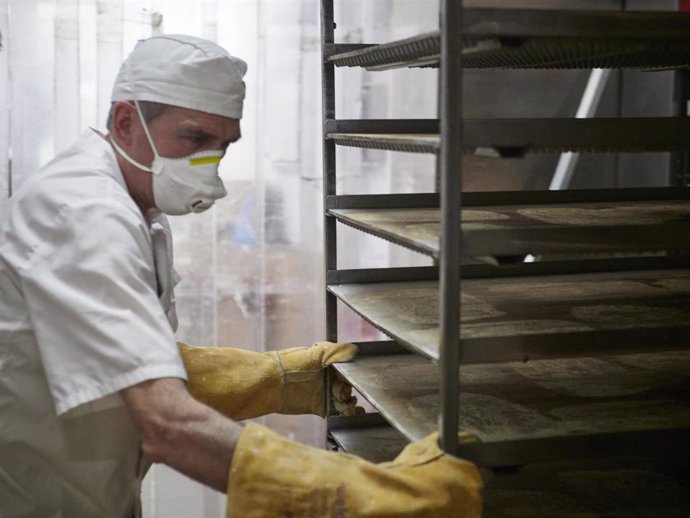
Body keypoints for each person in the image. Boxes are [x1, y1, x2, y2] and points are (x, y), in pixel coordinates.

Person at [0, 34, 482, 517]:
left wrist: (273, 378)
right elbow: (167, 424)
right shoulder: (84, 216)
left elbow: (119, 355)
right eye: (194, 138)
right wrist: (361, 493)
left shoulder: (135, 200)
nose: (209, 162)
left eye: (223, 145)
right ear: (126, 122)